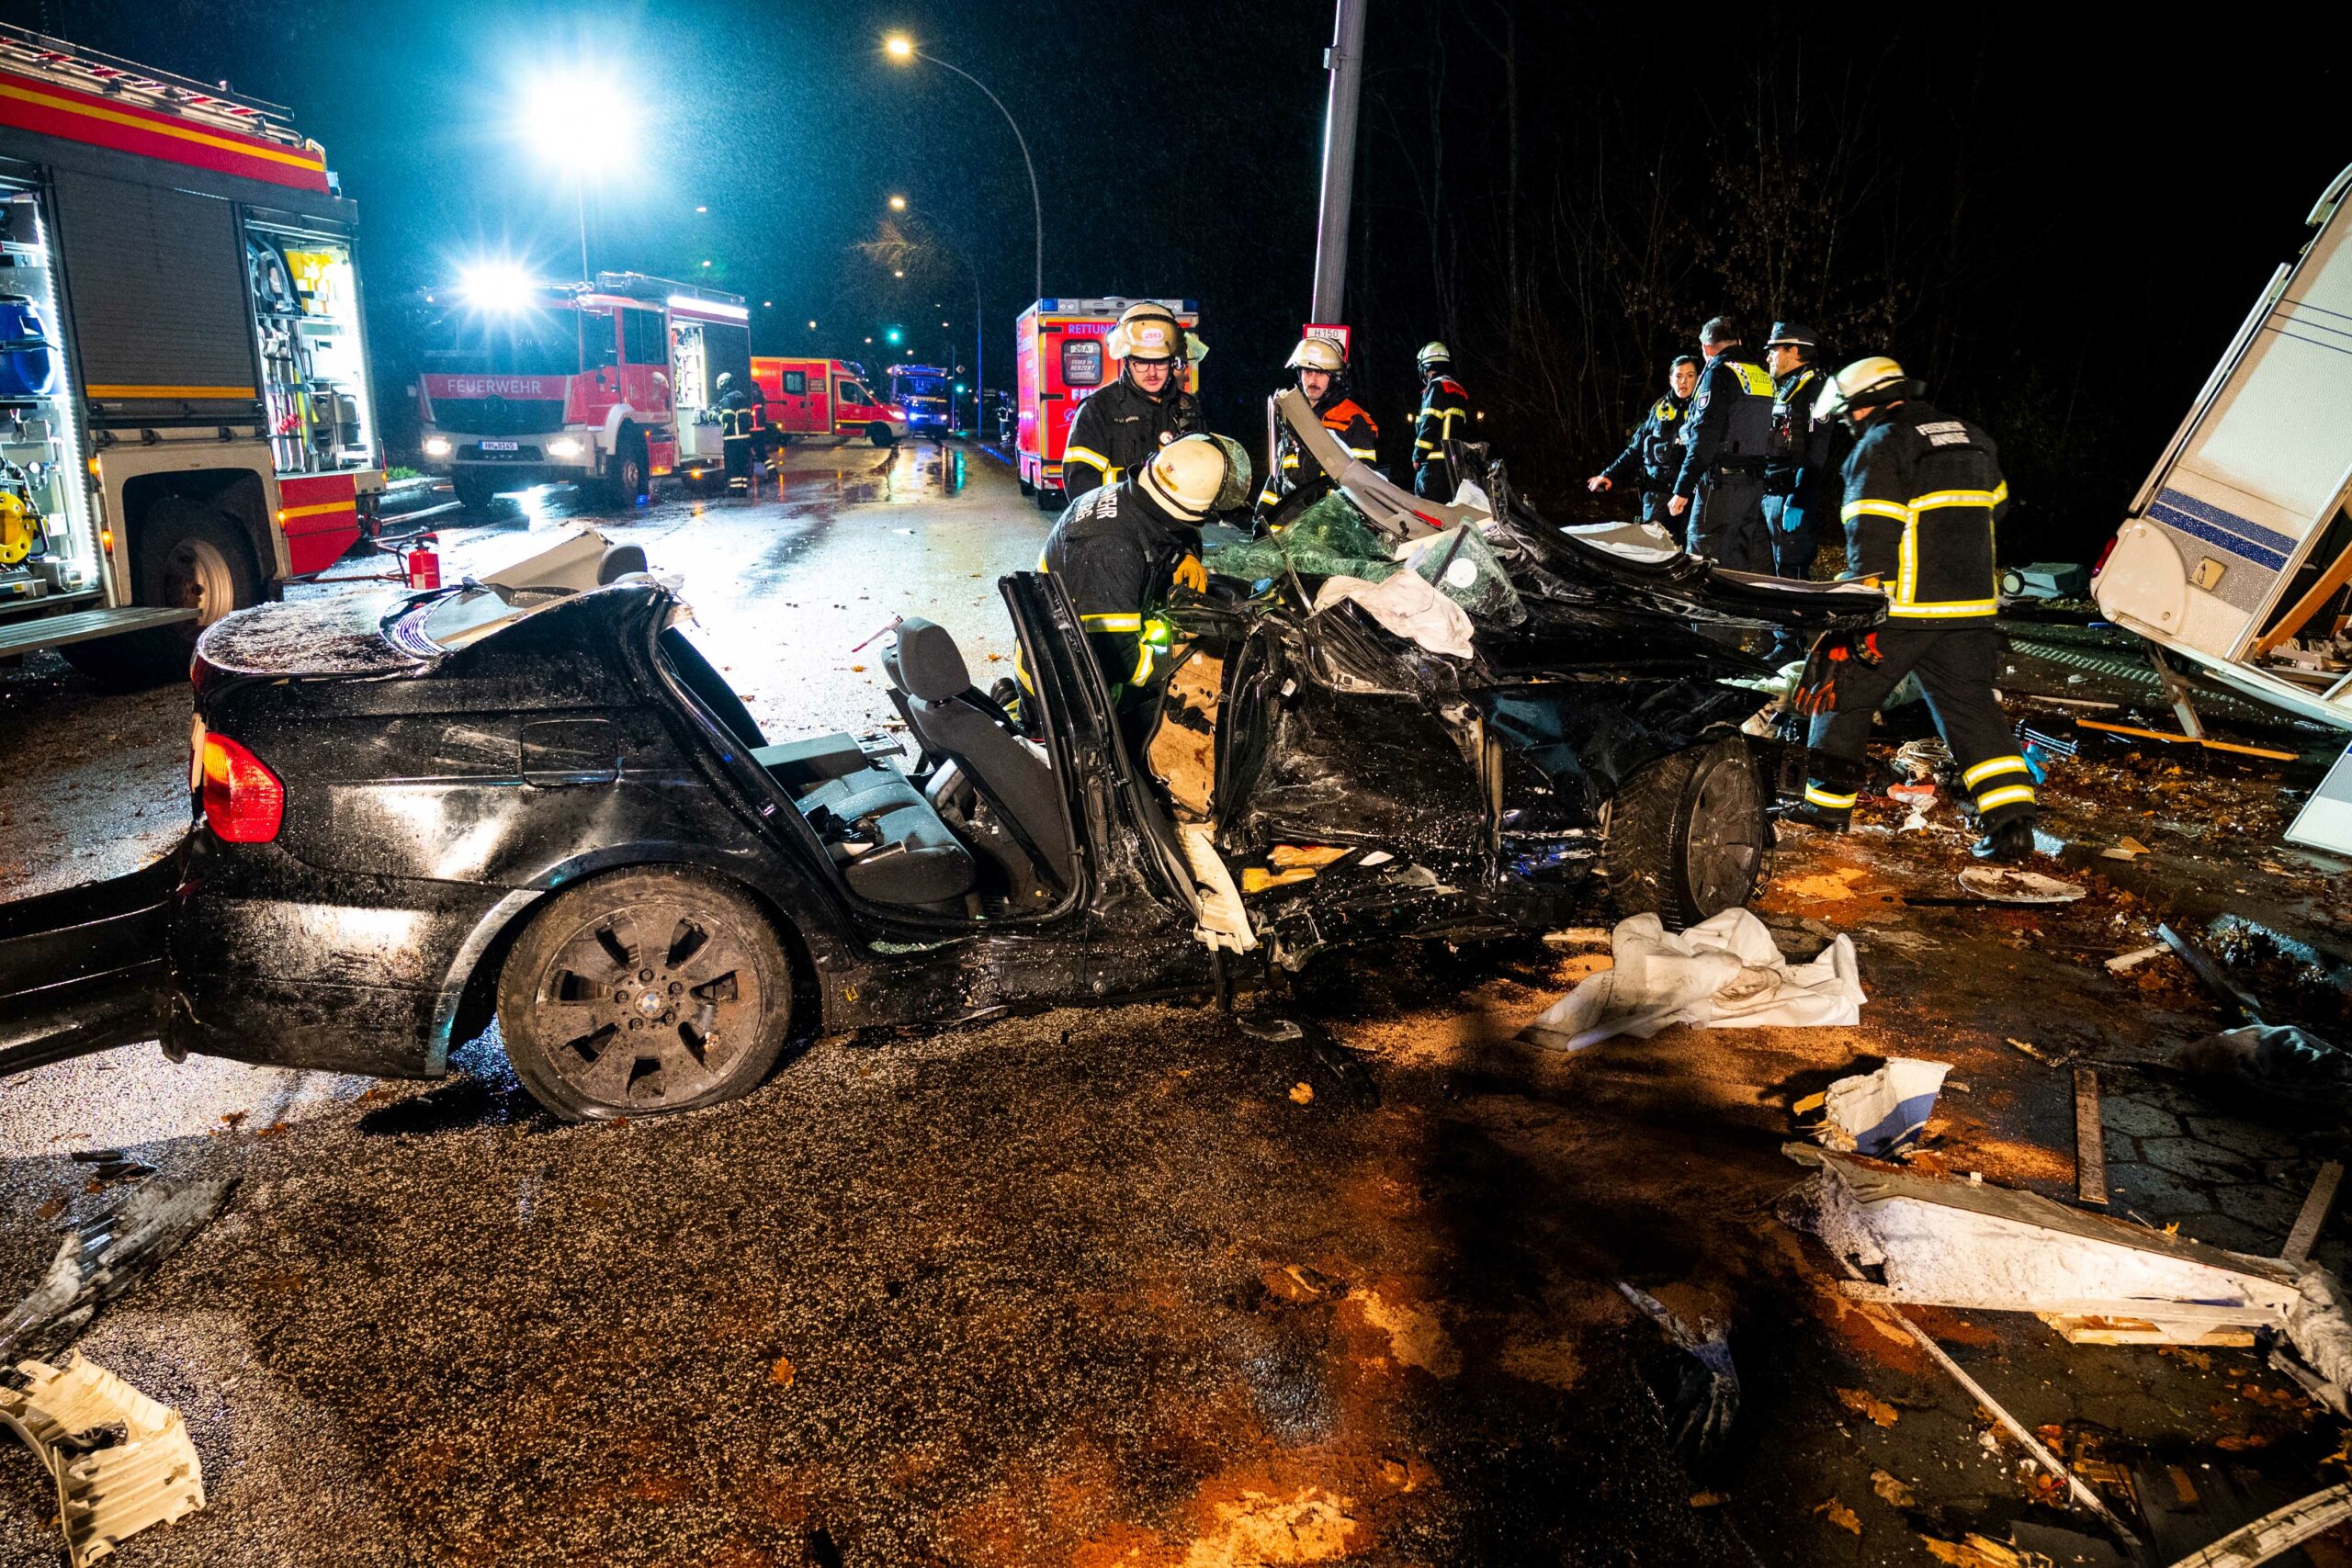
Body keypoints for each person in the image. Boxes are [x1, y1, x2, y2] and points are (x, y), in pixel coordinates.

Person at [1793, 355, 2037, 862]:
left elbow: (1870, 534)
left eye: (1847, 415)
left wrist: (1852, 615)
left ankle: (1826, 808)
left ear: (1865, 405)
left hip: (1902, 609)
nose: (1847, 423)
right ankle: (2011, 823)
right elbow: (1999, 506)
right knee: (1971, 709)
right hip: (1971, 610)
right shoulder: (1973, 437)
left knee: (1842, 696)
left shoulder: (1882, 445)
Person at [1040, 432, 1251, 735]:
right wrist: (1181, 660)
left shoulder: (1130, 497)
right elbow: (1121, 661)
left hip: (1075, 659)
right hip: (1065, 692)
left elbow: (1153, 532)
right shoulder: (1110, 548)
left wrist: (1182, 555)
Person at [1060, 301, 1203, 503]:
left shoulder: (1188, 408)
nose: (1152, 372)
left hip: (1176, 531)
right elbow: (1080, 486)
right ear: (1126, 360)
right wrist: (1146, 481)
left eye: (1160, 361)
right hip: (1119, 528)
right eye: (1141, 362)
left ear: (1172, 361)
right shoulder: (1098, 409)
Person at [1668, 317, 1775, 570]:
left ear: (1706, 348)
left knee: (1702, 557)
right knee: (1739, 560)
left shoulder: (1718, 373)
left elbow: (1704, 438)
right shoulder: (1761, 374)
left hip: (1721, 487)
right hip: (1755, 486)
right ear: (1738, 341)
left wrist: (1682, 488)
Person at [1255, 335, 1379, 523]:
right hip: (1288, 528)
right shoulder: (1295, 415)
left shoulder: (1352, 420)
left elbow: (1362, 486)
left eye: (1320, 373)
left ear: (1335, 377)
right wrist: (1263, 516)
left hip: (1325, 531)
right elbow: (1280, 476)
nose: (1312, 380)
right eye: (1307, 371)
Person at [1761, 323, 1842, 581]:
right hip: (1772, 493)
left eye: (1773, 350)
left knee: (1791, 578)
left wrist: (1799, 498)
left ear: (1793, 350)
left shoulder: (1816, 388)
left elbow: (1817, 449)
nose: (1768, 357)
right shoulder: (1787, 388)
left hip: (1791, 497)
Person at [1588, 355, 1700, 523]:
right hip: (1657, 494)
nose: (1684, 381)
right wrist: (1608, 474)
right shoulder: (1659, 409)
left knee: (1689, 546)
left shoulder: (1704, 409)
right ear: (1671, 380)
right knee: (1653, 545)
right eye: (1678, 376)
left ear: (1697, 379)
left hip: (1691, 495)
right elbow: (1635, 449)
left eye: (1690, 376)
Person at [1410, 341, 1473, 501]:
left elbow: (1430, 422)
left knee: (1427, 513)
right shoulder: (1458, 389)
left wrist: (1418, 455)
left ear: (1426, 366)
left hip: (1433, 465)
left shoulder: (1436, 387)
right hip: (1454, 465)